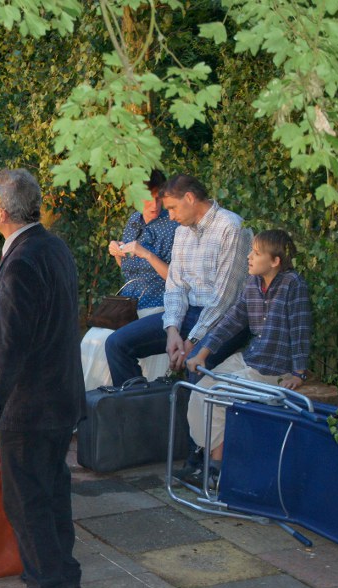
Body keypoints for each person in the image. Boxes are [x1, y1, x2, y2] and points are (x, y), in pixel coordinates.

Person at [0, 169, 84, 588]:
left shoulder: (20, 261)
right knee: (53, 489)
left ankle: (47, 585)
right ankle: (63, 571)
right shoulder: (54, 246)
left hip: (32, 402)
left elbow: (7, 346)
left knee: (26, 500)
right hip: (61, 394)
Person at [180, 230, 311, 485]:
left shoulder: (292, 285)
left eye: (256, 253)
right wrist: (203, 354)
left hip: (272, 367)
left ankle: (215, 469)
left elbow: (300, 329)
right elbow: (232, 320)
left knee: (217, 395)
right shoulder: (252, 283)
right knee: (200, 390)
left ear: (275, 261)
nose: (249, 256)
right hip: (250, 358)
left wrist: (298, 373)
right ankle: (211, 464)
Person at [105, 174, 253, 387]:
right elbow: (175, 286)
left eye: (173, 208)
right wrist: (172, 329)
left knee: (196, 364)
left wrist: (191, 342)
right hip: (190, 314)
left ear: (190, 198)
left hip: (228, 320)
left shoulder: (231, 227)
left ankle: (190, 420)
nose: (171, 216)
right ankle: (138, 410)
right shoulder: (183, 231)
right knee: (116, 344)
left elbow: (224, 299)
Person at [81, 170, 179, 389]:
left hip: (157, 304)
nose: (154, 205)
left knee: (102, 343)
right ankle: (93, 405)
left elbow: (177, 280)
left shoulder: (173, 225)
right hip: (128, 306)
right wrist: (118, 254)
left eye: (158, 198)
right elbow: (129, 272)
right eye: (147, 198)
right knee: (90, 341)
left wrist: (147, 253)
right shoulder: (133, 221)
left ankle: (122, 401)